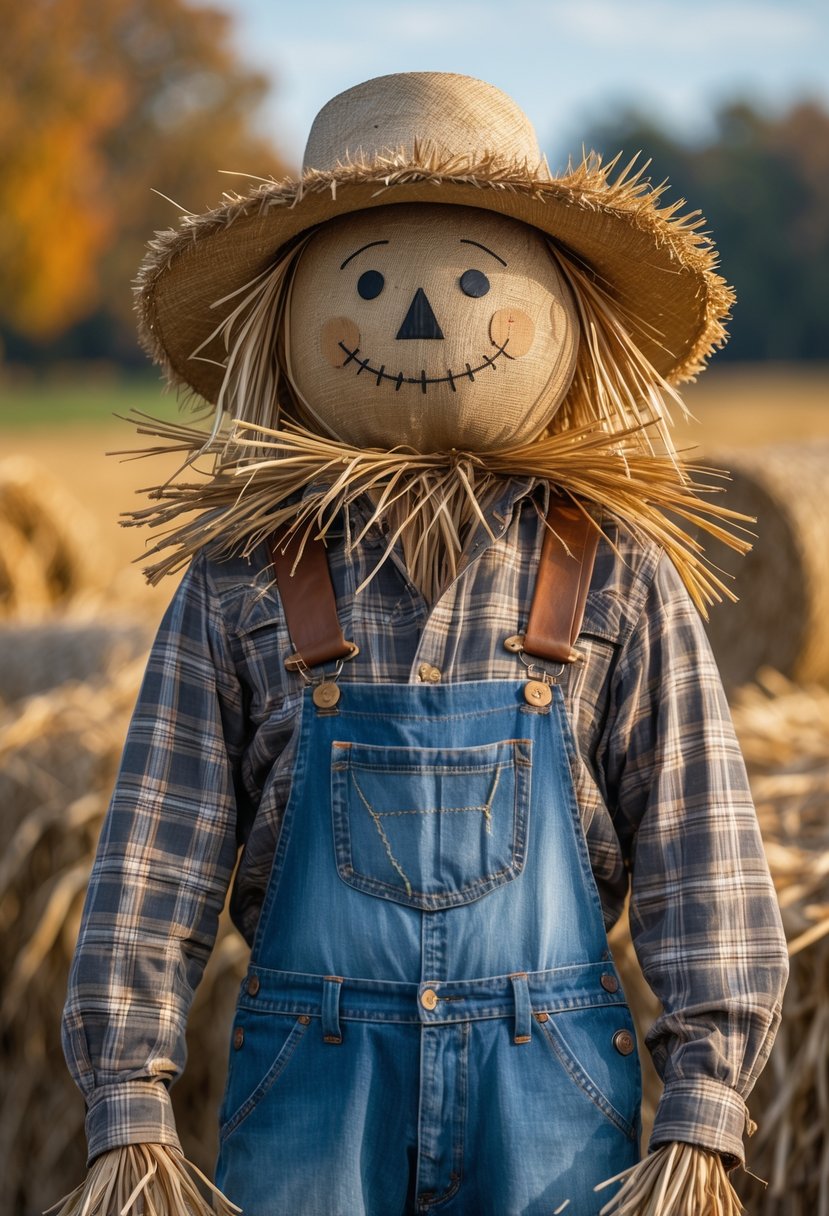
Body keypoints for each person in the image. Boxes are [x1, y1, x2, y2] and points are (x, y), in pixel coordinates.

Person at [58, 73, 788, 1215]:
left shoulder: (617, 570)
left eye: (466, 281)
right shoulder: (244, 579)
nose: (420, 319)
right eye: (369, 281)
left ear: (562, 312)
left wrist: (703, 1107)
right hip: (314, 1089)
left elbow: (702, 856)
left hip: (549, 1098)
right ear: (289, 316)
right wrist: (127, 1098)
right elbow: (158, 851)